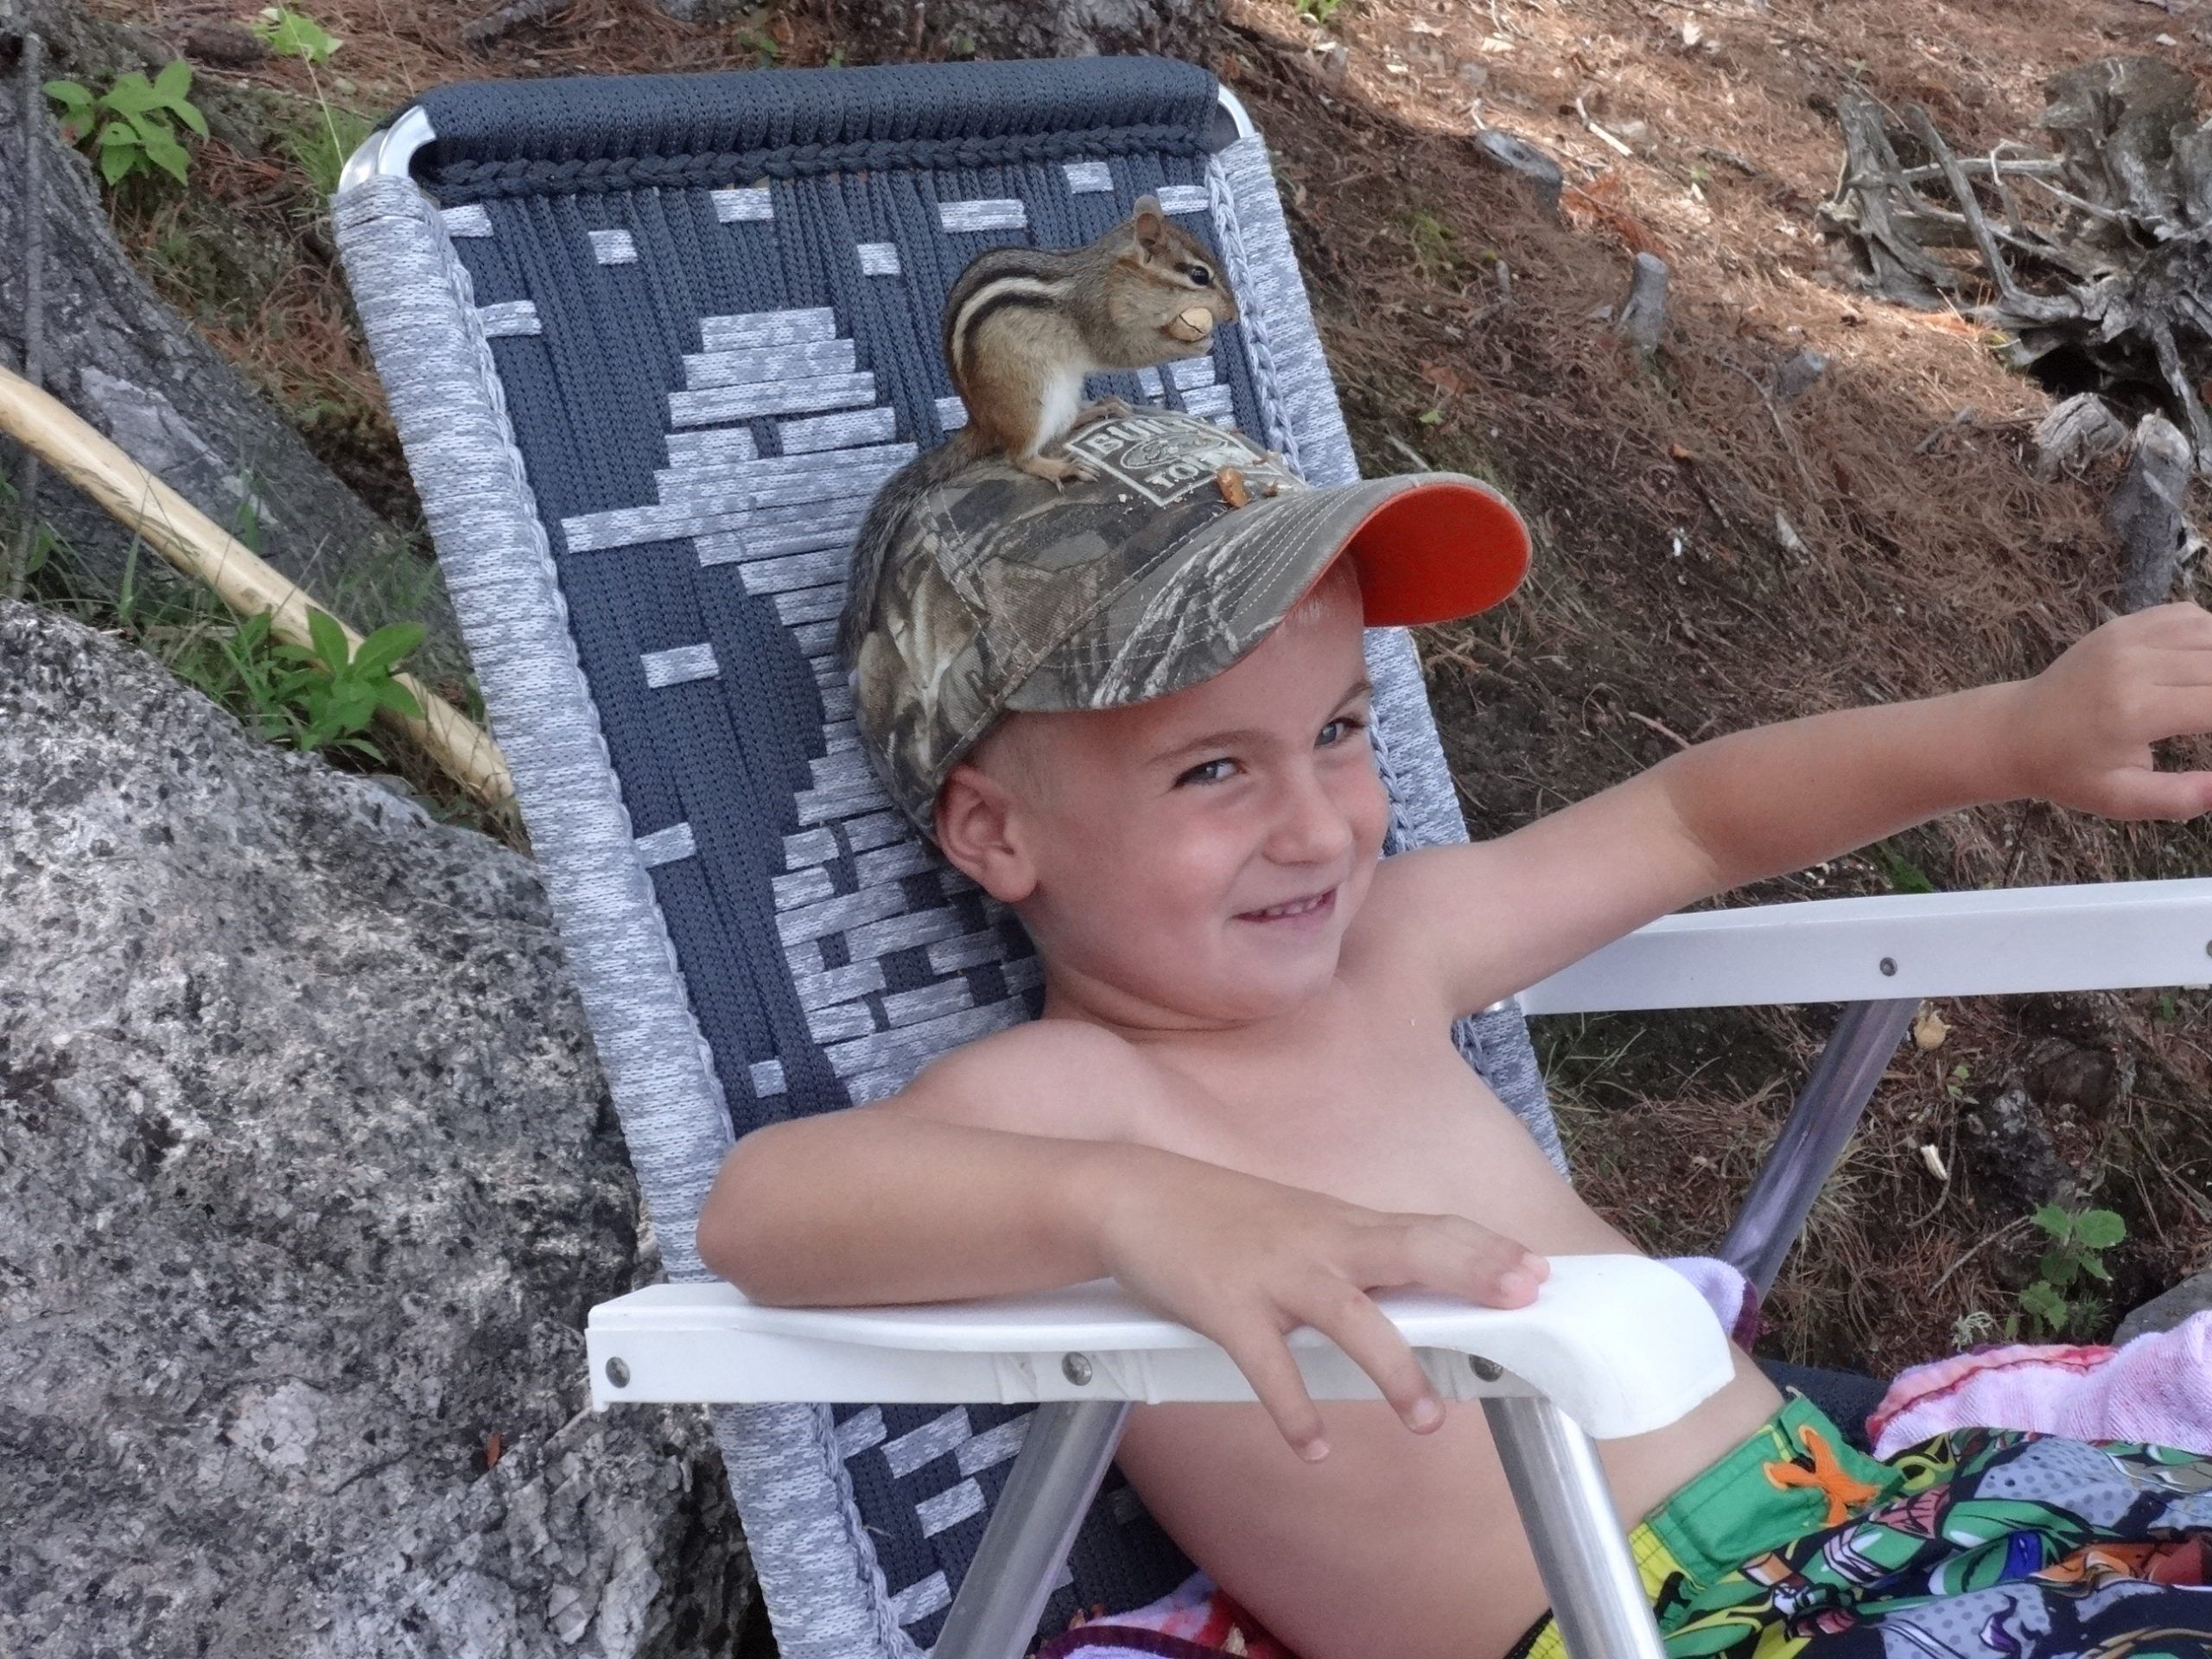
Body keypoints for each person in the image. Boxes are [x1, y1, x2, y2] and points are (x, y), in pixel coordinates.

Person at [696, 406, 2212, 1659]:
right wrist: (1132, 1208)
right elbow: (764, 1211)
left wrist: (2014, 732)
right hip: (1651, 1631)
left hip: (1869, 1518)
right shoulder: (1073, 1098)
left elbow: (1693, 817)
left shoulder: (1389, 952)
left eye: (1339, 731)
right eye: (1213, 769)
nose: (1317, 825)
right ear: (996, 833)